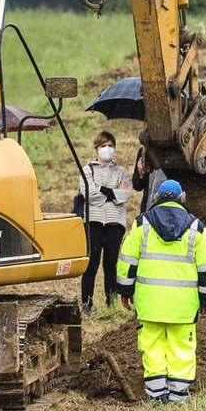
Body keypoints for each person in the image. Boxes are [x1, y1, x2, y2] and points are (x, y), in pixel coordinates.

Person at [117, 179, 206, 404]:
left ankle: (156, 395)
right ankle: (178, 396)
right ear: (182, 197)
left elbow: (127, 260)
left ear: (156, 198)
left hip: (150, 303)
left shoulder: (142, 224)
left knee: (152, 346)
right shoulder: (196, 228)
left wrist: (125, 290)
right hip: (183, 305)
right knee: (181, 347)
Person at [79, 131, 132, 314]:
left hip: (114, 223)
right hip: (93, 222)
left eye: (110, 145)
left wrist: (101, 189)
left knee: (111, 265)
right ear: (96, 148)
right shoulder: (87, 170)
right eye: (103, 146)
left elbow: (125, 195)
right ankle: (87, 303)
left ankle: (112, 303)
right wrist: (112, 192)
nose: (107, 149)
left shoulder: (122, 171)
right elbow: (89, 194)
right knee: (91, 264)